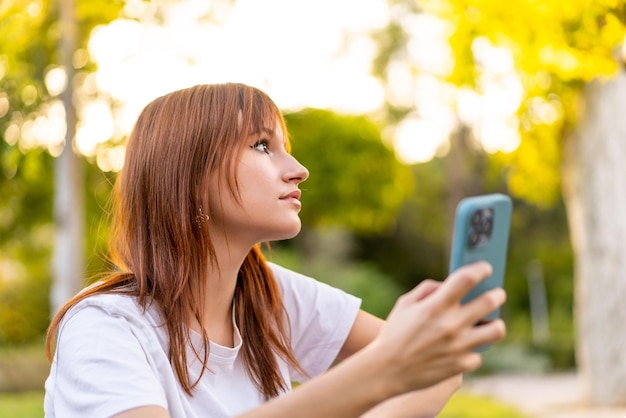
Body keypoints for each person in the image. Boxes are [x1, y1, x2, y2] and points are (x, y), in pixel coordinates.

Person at [43, 83, 506, 418]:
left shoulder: (265, 293)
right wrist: (382, 371)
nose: (299, 170)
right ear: (190, 178)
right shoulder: (105, 329)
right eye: (263, 145)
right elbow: (400, 364)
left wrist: (427, 344)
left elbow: (439, 369)